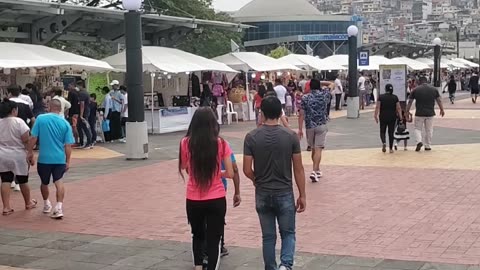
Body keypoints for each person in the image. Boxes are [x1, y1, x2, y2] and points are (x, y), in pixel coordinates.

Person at [243, 96, 306, 270]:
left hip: (262, 192)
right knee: (288, 233)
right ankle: (285, 265)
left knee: (268, 237)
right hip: (285, 191)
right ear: (280, 113)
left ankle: (270, 267)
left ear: (261, 113)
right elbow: (298, 169)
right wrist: (302, 194)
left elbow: (247, 169)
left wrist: (257, 180)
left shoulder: (251, 137)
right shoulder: (291, 137)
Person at [178, 107, 234, 270]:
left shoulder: (185, 142)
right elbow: (230, 173)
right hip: (216, 197)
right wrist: (217, 173)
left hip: (193, 198)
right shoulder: (221, 143)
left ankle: (197, 266)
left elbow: (184, 166)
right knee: (214, 238)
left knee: (197, 235)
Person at [28, 99, 75, 219]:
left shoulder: (41, 119)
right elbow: (68, 145)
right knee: (59, 182)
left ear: (49, 107)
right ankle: (59, 207)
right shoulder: (65, 123)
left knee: (44, 183)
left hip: (44, 158)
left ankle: (46, 203)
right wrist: (68, 161)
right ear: (60, 109)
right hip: (59, 159)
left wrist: (29, 152)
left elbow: (33, 137)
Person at [0, 99, 37, 215]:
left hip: (3, 154)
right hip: (19, 155)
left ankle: (6, 207)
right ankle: (28, 202)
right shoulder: (19, 122)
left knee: (5, 180)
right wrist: (30, 154)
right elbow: (26, 140)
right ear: (13, 110)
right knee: (23, 180)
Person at [298, 79, 330, 182]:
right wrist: (321, 83)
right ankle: (314, 170)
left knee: (313, 148)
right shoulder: (324, 95)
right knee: (318, 149)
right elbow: (331, 84)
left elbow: (301, 114)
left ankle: (317, 170)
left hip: (309, 126)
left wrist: (300, 129)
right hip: (321, 124)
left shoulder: (305, 98)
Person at [407, 76, 445, 152]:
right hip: (430, 113)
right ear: (427, 81)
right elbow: (439, 100)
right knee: (429, 130)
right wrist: (442, 109)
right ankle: (427, 145)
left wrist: (406, 111)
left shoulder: (415, 90)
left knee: (417, 129)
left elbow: (410, 101)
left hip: (419, 113)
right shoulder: (433, 89)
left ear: (419, 82)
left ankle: (419, 141)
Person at [374, 84, 403, 153]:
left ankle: (384, 142)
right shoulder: (395, 97)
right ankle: (390, 148)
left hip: (383, 116)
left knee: (382, 131)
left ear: (385, 89)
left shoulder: (381, 97)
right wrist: (401, 117)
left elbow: (377, 107)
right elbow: (398, 108)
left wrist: (375, 115)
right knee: (391, 132)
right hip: (392, 117)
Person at [76, 81, 92, 149]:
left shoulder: (82, 93)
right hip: (85, 111)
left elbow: (82, 104)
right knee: (79, 127)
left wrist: (81, 115)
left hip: (84, 113)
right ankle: (82, 142)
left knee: (85, 127)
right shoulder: (86, 92)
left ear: (80, 85)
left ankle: (89, 143)